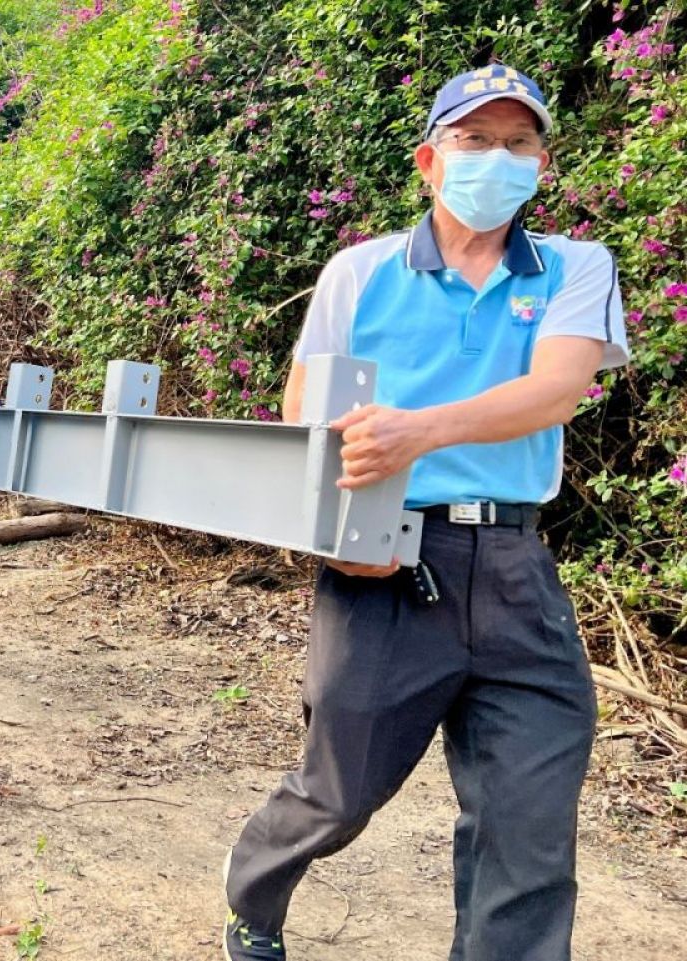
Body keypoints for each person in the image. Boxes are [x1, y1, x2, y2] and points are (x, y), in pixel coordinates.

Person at [222, 66, 629, 961]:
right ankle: (252, 893)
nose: (497, 158)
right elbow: (305, 410)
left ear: (543, 164)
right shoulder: (360, 271)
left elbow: (557, 389)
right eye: (474, 140)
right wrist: (333, 535)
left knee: (527, 829)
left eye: (518, 143)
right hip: (384, 560)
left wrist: (418, 430)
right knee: (340, 791)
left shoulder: (576, 266)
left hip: (515, 567)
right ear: (429, 160)